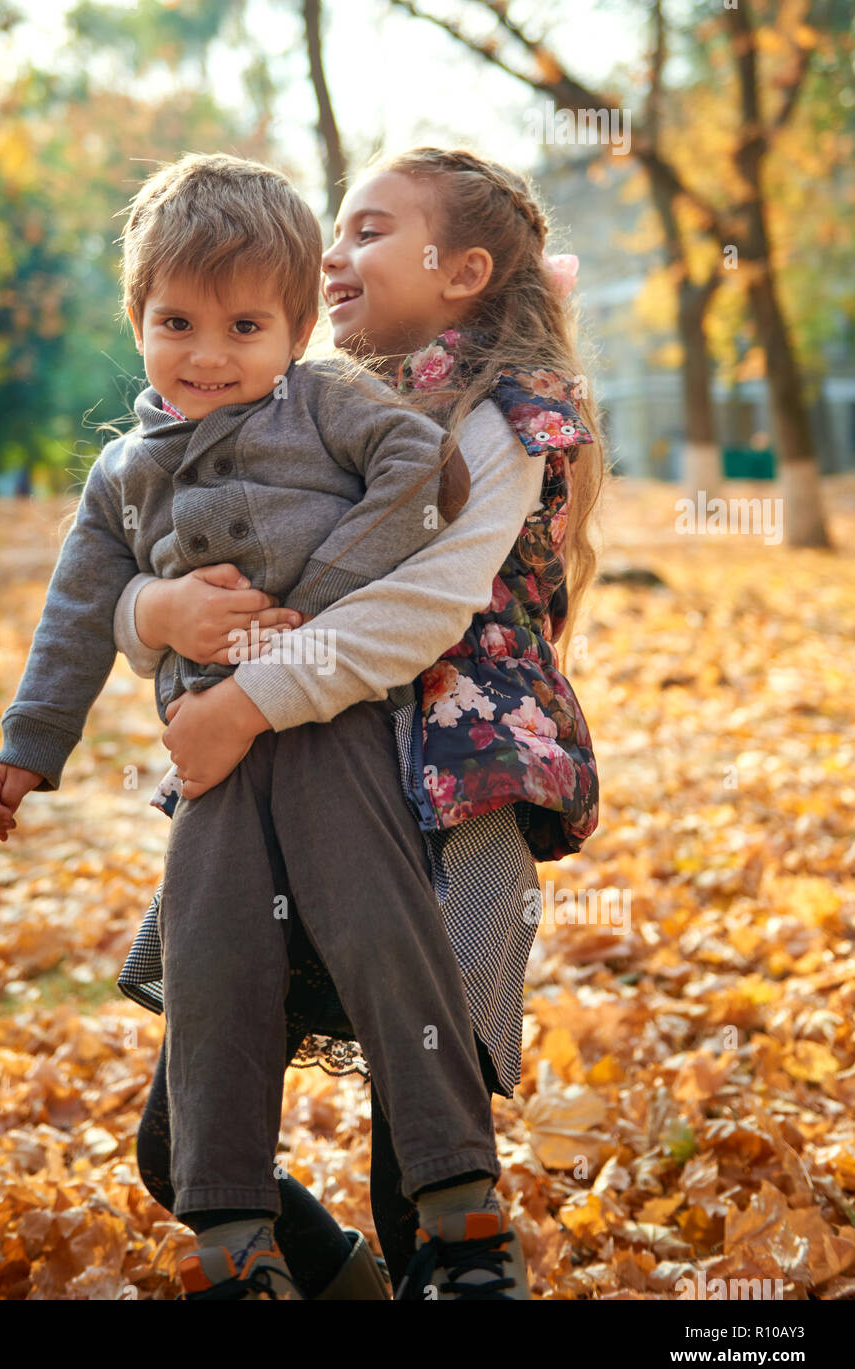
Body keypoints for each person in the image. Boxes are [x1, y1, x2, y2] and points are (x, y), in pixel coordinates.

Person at [0, 151, 516, 1300]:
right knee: (213, 960)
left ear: (297, 325)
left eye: (244, 324)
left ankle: (462, 1210)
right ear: (136, 317)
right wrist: (29, 747)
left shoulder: (329, 402)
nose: (208, 353)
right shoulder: (121, 473)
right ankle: (234, 1237)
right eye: (176, 321)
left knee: (385, 930)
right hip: (208, 766)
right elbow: (79, 612)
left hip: (330, 739)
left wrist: (304, 607)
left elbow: (424, 479)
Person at [113, 147, 608, 1299]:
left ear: (462, 270)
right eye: (336, 230)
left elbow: (422, 608)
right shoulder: (299, 404)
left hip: (452, 803)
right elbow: (153, 552)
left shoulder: (504, 420)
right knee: (178, 1141)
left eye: (371, 230)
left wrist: (240, 698)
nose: (333, 254)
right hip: (282, 795)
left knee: (425, 1160)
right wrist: (161, 609)